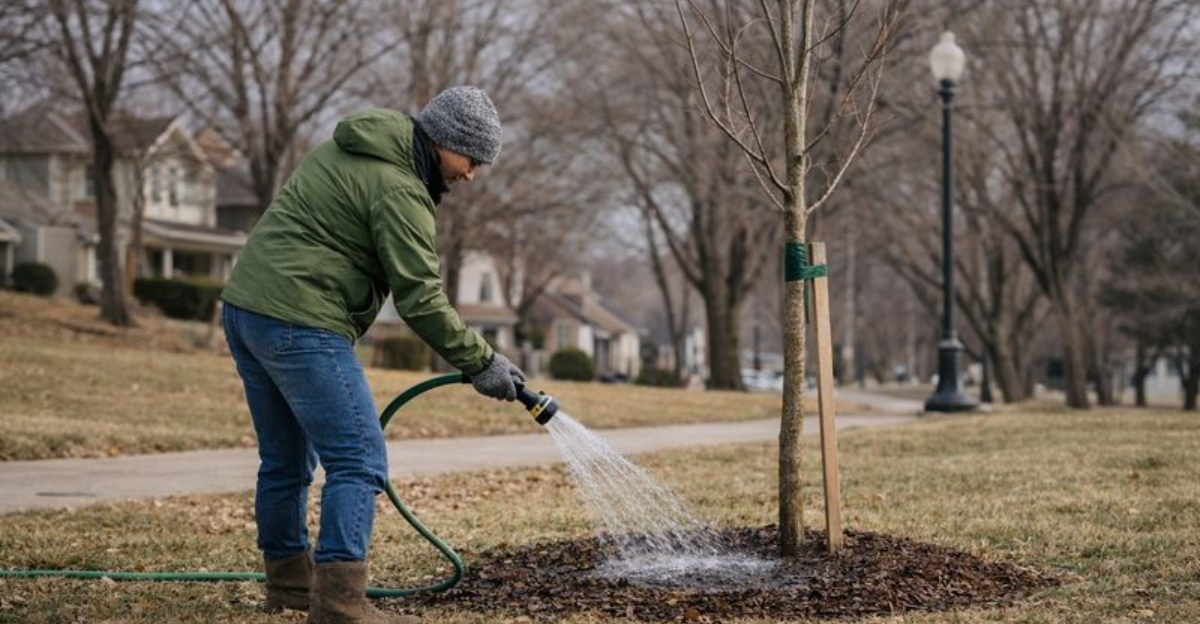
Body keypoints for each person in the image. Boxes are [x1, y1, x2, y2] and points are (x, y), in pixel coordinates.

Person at [220, 87, 526, 624]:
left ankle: (290, 585)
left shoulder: (351, 147)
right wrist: (482, 362)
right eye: (471, 159)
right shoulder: (400, 189)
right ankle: (340, 606)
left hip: (247, 309)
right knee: (359, 461)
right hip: (300, 320)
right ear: (446, 142)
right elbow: (421, 298)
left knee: (286, 461)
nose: (472, 174)